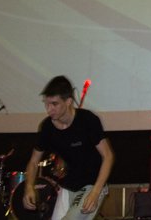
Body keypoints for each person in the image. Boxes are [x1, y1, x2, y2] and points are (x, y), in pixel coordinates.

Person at [22, 75, 114, 220]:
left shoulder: (88, 120)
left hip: (92, 184)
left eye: (54, 104)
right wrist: (28, 188)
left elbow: (108, 156)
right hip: (68, 186)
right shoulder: (47, 127)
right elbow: (33, 161)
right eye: (46, 104)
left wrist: (96, 192)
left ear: (69, 101)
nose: (49, 109)